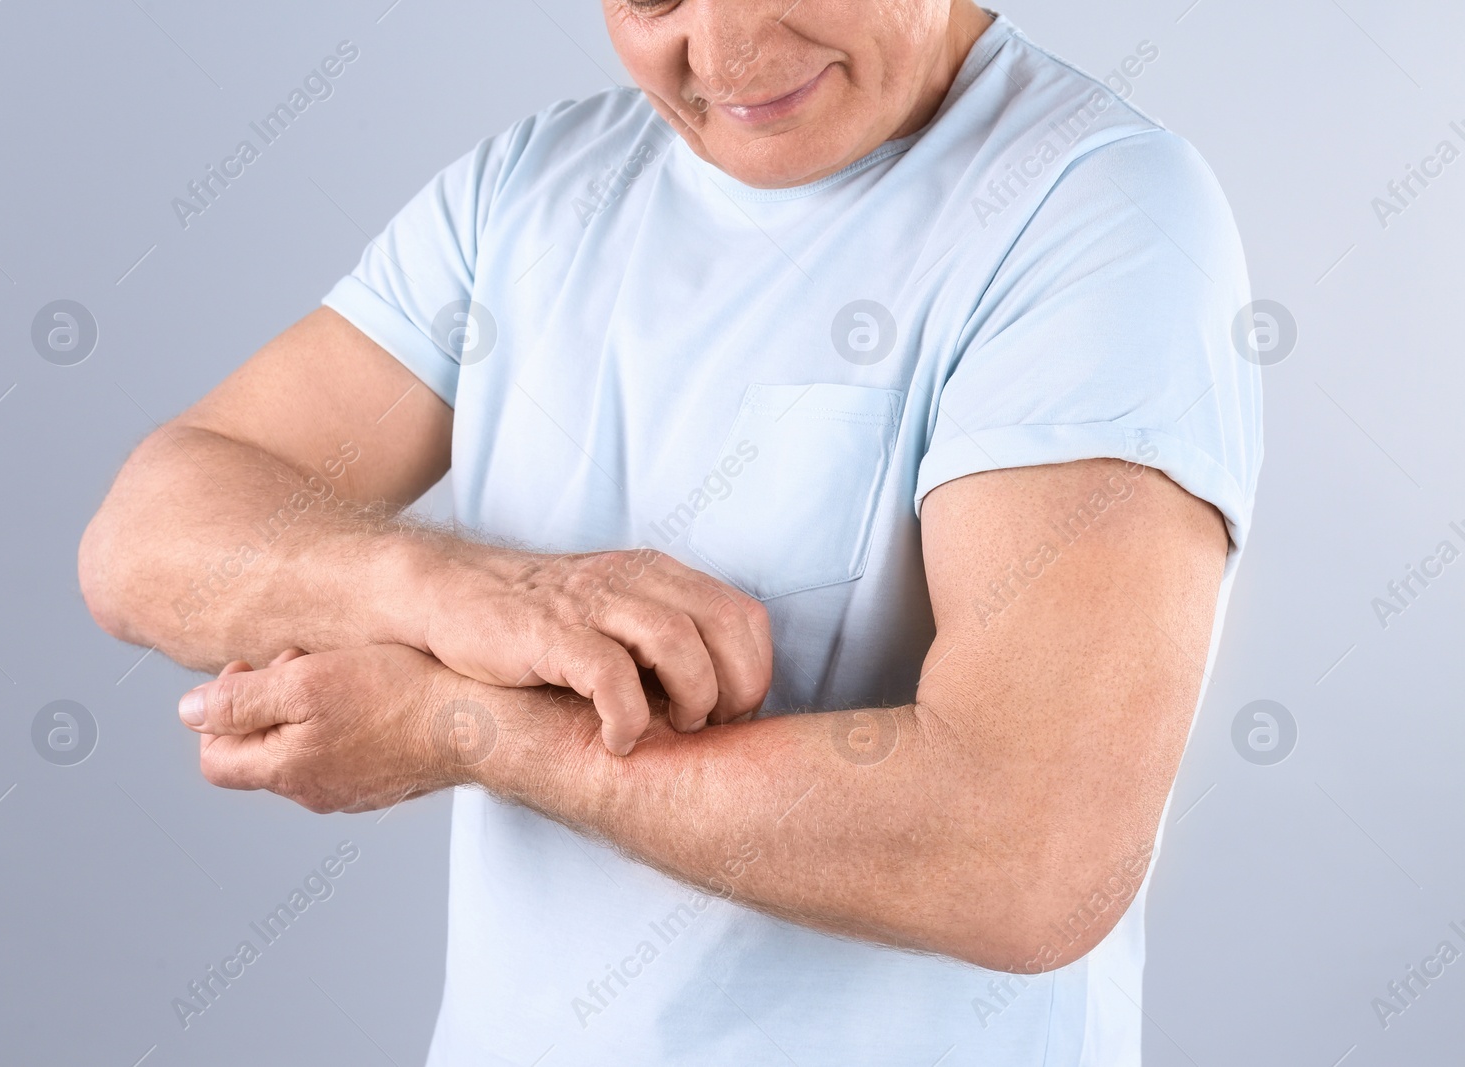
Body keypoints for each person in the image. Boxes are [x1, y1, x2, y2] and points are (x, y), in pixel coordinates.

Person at [78, 0, 1262, 1062]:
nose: (728, 52)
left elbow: (1030, 854)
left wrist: (470, 724)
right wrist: (449, 591)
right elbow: (142, 539)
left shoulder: (1095, 210)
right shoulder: (531, 187)